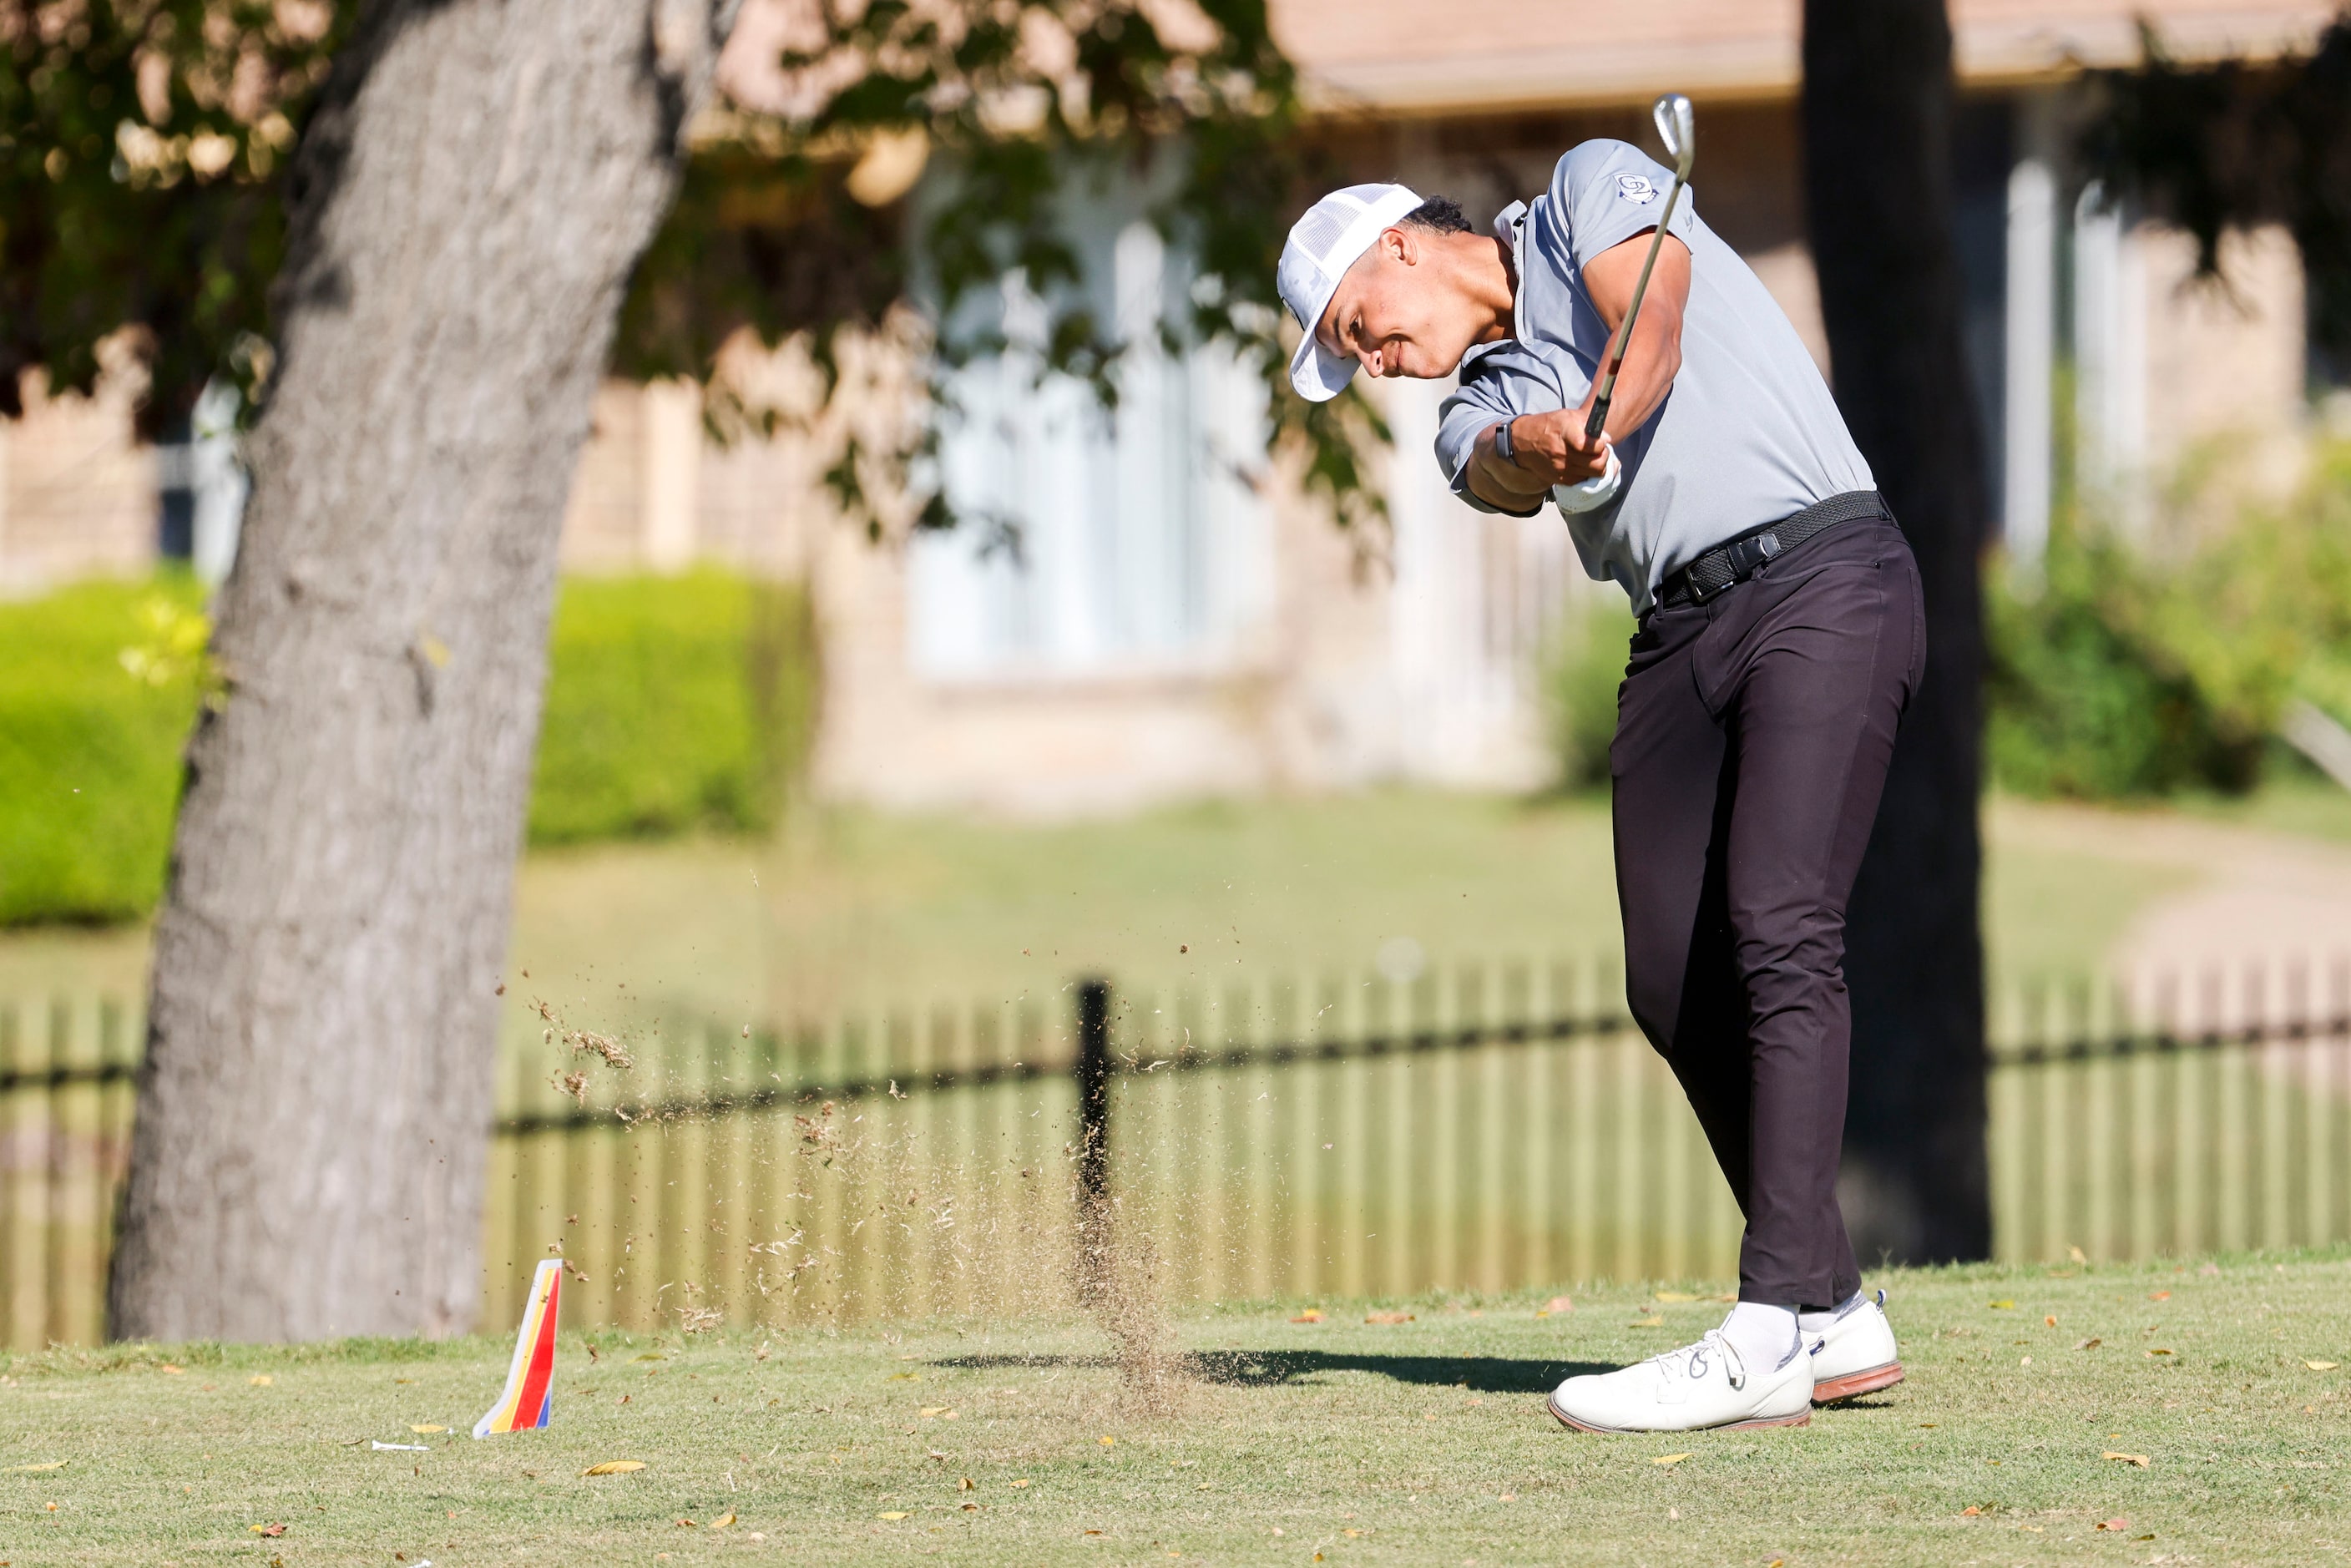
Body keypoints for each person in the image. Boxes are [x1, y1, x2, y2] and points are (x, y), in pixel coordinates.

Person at [1274, 149, 1918, 1433]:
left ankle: (1770, 1320)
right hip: (1680, 630)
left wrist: (1605, 420)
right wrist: (1545, 439)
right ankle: (1837, 1313)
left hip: (1824, 578)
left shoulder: (1592, 188)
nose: (1381, 363)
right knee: (1671, 979)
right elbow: (1494, 465)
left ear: (1401, 247)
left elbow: (1655, 327)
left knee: (1781, 926)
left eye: (1363, 331)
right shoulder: (1478, 397)